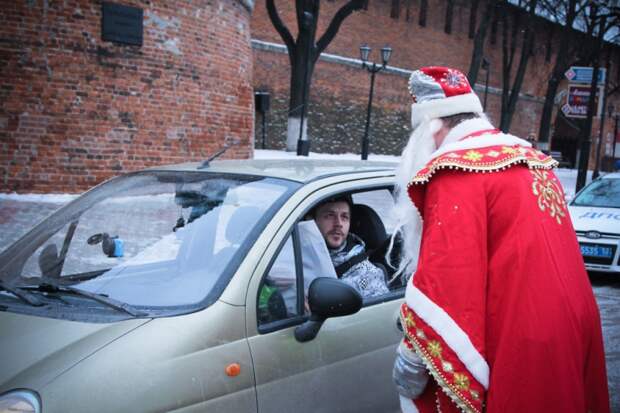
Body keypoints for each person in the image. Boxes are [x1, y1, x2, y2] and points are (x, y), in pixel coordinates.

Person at [391, 66, 610, 413]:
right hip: (568, 328)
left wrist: (412, 356)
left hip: (518, 340)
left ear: (433, 127)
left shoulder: (455, 169)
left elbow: (448, 285)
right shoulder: (531, 160)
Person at [313, 196, 389, 298]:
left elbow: (380, 312)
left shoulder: (367, 274)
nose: (338, 224)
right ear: (312, 220)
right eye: (330, 215)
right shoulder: (295, 256)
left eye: (344, 217)